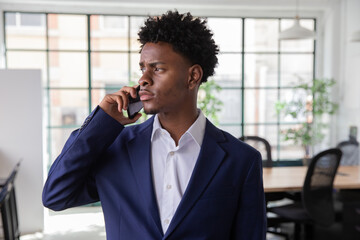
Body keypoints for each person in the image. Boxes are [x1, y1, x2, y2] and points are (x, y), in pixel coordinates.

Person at [42, 10, 267, 240]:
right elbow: (56, 196)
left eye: (157, 68)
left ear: (193, 77)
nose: (143, 79)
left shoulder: (241, 160)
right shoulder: (115, 147)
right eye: (142, 68)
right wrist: (100, 123)